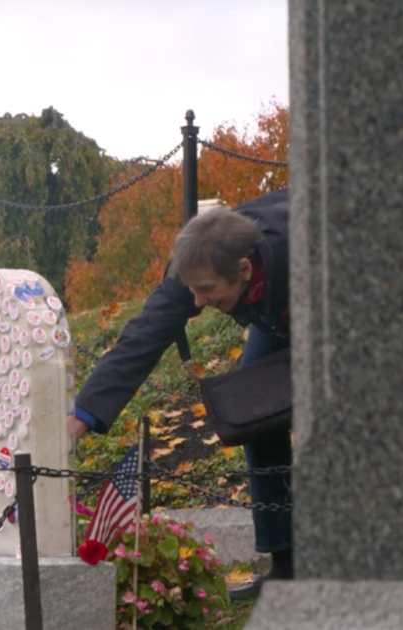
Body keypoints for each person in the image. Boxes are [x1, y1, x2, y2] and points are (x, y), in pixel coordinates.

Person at [67, 187, 293, 595]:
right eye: (192, 289)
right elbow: (143, 337)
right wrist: (82, 415)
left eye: (206, 291)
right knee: (255, 414)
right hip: (277, 316)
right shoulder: (199, 263)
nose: (197, 301)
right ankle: (287, 566)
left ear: (243, 269)